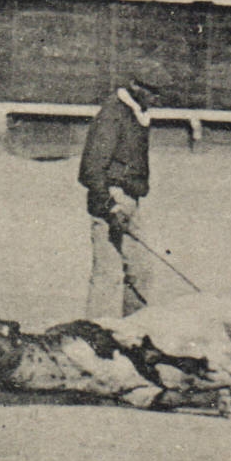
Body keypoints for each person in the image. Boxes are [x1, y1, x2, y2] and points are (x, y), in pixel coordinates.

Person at [78, 65, 165, 320]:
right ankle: (96, 336)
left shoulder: (134, 113)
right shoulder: (113, 114)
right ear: (137, 88)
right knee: (108, 274)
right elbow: (91, 168)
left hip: (128, 200)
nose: (157, 100)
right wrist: (110, 206)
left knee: (140, 271)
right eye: (154, 93)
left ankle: (134, 333)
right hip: (110, 200)